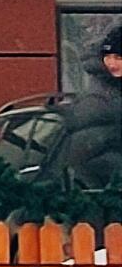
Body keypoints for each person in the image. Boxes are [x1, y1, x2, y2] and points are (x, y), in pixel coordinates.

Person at [49, 32, 122, 189]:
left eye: (118, 58)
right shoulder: (102, 97)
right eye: (110, 57)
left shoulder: (104, 92)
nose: (113, 63)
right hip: (92, 188)